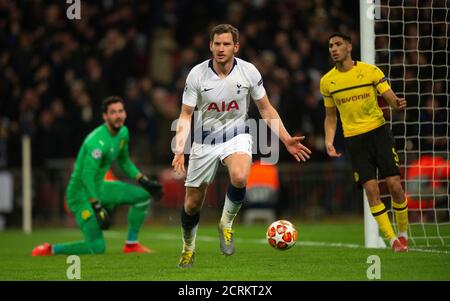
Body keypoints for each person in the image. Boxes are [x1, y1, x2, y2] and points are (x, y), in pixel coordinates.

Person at [172, 24, 311, 268]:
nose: (221, 49)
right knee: (192, 203)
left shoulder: (249, 72)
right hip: (204, 140)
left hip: (238, 135)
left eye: (226, 44)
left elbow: (266, 109)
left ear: (236, 47)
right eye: (217, 44)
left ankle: (226, 224)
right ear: (210, 46)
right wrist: (179, 149)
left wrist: (286, 138)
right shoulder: (196, 74)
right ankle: (188, 248)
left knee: (239, 175)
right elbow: (185, 115)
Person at [32, 96, 163, 256]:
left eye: (120, 111)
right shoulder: (96, 142)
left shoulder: (123, 133)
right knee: (97, 248)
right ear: (105, 116)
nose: (118, 115)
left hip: (99, 187)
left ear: (125, 114)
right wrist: (96, 205)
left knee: (142, 196)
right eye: (113, 112)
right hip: (81, 195)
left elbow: (124, 161)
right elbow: (87, 177)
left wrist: (143, 180)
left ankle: (131, 244)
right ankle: (51, 249)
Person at [320, 33, 409, 252]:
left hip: (378, 132)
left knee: (395, 186)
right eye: (331, 45)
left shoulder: (370, 71)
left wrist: (397, 104)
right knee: (371, 190)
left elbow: (390, 98)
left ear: (349, 47)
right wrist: (329, 141)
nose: (333, 49)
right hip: (354, 139)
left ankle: (403, 234)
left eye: (338, 44)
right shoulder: (327, 81)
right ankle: (392, 240)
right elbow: (331, 116)